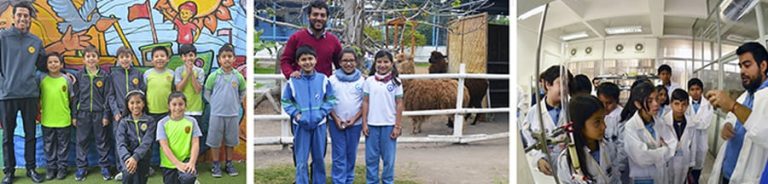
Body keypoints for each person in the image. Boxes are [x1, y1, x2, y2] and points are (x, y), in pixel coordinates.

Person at [707, 42, 768, 183]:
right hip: (727, 172)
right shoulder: (746, 95)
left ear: (763, 66)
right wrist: (726, 126)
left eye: (747, 65)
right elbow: (732, 118)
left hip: (747, 178)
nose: (741, 71)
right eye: (740, 66)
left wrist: (732, 105)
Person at [0, 2, 46, 182]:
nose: (22, 18)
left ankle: (31, 169)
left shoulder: (36, 41)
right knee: (8, 136)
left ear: (30, 19)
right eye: (19, 15)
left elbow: (45, 65)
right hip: (7, 95)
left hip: (30, 95)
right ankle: (9, 171)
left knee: (30, 135)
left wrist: (66, 75)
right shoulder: (2, 37)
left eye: (26, 16)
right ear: (13, 16)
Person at [281, 45, 336, 184]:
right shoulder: (293, 81)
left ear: (316, 60)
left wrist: (321, 113)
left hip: (319, 125)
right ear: (298, 62)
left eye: (310, 58)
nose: (307, 62)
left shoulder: (323, 79)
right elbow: (286, 101)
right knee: (301, 159)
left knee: (319, 158)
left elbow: (331, 99)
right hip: (301, 126)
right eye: (303, 59)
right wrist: (297, 115)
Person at [521, 65, 573, 176]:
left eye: (567, 85)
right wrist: (538, 159)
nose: (565, 89)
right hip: (543, 170)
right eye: (561, 83)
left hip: (568, 169)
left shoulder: (572, 110)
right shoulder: (534, 112)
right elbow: (527, 140)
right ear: (548, 84)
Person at [622, 82, 677, 183]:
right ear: (638, 104)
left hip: (660, 175)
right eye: (649, 101)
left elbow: (673, 144)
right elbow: (642, 158)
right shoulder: (631, 126)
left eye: (656, 99)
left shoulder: (659, 122)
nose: (656, 104)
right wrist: (664, 149)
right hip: (643, 178)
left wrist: (652, 152)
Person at [556, 95, 620, 184]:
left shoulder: (608, 147)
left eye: (603, 119)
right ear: (579, 125)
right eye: (597, 122)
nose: (604, 126)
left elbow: (616, 178)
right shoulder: (567, 160)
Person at [362, 50, 403, 184]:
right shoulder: (369, 81)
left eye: (386, 61)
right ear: (375, 63)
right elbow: (366, 102)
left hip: (389, 125)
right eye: (379, 61)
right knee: (371, 158)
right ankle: (371, 181)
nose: (382, 65)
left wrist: (397, 126)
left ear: (391, 63)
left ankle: (387, 181)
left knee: (388, 159)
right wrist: (364, 123)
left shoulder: (396, 82)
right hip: (372, 125)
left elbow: (399, 104)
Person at [204, 44, 245, 177]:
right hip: (216, 114)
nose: (227, 59)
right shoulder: (213, 76)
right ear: (219, 59)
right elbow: (207, 92)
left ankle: (229, 163)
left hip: (232, 114)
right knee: (215, 141)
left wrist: (236, 103)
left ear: (234, 59)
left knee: (231, 140)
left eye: (229, 56)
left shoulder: (238, 76)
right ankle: (215, 164)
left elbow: (242, 92)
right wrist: (214, 104)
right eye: (224, 57)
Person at [73, 46, 114, 181]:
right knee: (81, 141)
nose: (91, 59)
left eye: (93, 56)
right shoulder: (79, 76)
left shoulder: (104, 76)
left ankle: (104, 166)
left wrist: (106, 115)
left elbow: (108, 97)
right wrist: (74, 115)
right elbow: (75, 97)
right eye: (88, 56)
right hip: (83, 114)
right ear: (83, 60)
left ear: (98, 59)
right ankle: (81, 168)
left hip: (99, 114)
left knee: (102, 141)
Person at [328, 48, 365, 183]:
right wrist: (336, 118)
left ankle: (349, 179)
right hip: (335, 123)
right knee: (338, 154)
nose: (348, 64)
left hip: (355, 124)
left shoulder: (361, 81)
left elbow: (365, 104)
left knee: (351, 153)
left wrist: (355, 118)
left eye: (351, 60)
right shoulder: (332, 80)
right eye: (345, 60)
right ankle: (338, 180)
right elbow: (328, 102)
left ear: (356, 62)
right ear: (339, 62)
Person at [279, 0, 341, 79]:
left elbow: (340, 65)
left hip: (323, 88)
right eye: (315, 14)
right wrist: (290, 73)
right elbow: (285, 61)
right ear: (308, 16)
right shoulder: (296, 38)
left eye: (322, 15)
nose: (319, 18)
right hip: (300, 85)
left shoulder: (333, 41)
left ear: (327, 18)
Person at [109, 46, 146, 181]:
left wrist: (140, 110)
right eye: (122, 57)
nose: (125, 59)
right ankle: (122, 168)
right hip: (119, 115)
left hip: (135, 114)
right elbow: (111, 95)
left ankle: (139, 165)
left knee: (136, 139)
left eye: (127, 57)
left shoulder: (138, 74)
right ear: (118, 59)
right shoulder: (113, 74)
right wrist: (115, 112)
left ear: (131, 58)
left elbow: (142, 94)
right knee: (120, 141)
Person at [39, 52, 75, 181]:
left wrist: (73, 116)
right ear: (47, 65)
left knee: (63, 146)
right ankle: (51, 168)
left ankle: (62, 168)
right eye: (50, 62)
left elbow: (72, 99)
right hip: (47, 120)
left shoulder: (67, 79)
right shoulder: (42, 79)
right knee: (49, 146)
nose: (53, 64)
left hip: (63, 120)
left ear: (61, 64)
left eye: (56, 62)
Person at [157, 92, 202, 184]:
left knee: (187, 178)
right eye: (174, 104)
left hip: (187, 161)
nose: (177, 108)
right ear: (169, 106)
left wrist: (192, 163)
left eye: (181, 104)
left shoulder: (192, 121)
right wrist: (177, 164)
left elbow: (195, 143)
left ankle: (191, 180)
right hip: (169, 163)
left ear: (185, 105)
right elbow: (164, 146)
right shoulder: (162, 123)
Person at [116, 90, 156, 184]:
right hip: (127, 158)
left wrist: (136, 157)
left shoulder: (150, 121)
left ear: (143, 104)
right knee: (128, 173)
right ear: (127, 105)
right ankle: (124, 171)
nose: (135, 106)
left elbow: (147, 142)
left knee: (140, 180)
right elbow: (121, 143)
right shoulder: (123, 122)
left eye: (138, 102)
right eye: (132, 103)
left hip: (143, 157)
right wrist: (128, 158)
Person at [596, 82, 629, 183]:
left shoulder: (621, 116)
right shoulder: (596, 114)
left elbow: (623, 146)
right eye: (602, 103)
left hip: (617, 167)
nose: (605, 107)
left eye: (609, 103)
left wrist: (619, 168)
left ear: (617, 101)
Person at [664, 89, 697, 184]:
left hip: (684, 160)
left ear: (687, 105)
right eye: (677, 104)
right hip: (668, 161)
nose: (680, 108)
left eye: (684, 104)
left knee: (682, 180)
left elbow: (693, 145)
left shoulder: (691, 123)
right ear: (671, 104)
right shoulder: (664, 122)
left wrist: (692, 163)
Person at [686, 78, 712, 183]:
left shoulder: (708, 105)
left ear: (702, 90)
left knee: (698, 166)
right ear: (688, 91)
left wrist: (691, 122)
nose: (695, 92)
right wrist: (696, 121)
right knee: (686, 166)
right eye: (692, 89)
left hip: (701, 140)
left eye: (697, 89)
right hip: (687, 139)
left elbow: (705, 124)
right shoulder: (685, 103)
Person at [174, 44, 205, 129]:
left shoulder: (200, 71)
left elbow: (198, 90)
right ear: (181, 57)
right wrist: (187, 74)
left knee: (195, 135)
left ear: (195, 56)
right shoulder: (178, 70)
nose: (188, 58)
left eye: (191, 55)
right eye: (185, 56)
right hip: (182, 109)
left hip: (196, 110)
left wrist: (191, 73)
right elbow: (178, 89)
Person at [145, 46, 174, 121]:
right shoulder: (147, 74)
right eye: (156, 56)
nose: (159, 58)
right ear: (152, 60)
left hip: (167, 111)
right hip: (151, 112)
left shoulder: (171, 74)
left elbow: (174, 92)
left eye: (162, 56)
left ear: (167, 59)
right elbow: (144, 91)